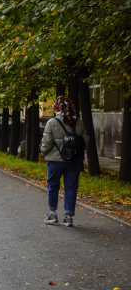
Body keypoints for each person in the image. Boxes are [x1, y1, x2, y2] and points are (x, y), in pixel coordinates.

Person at [40, 96, 89, 227]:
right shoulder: (79, 123)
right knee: (71, 187)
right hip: (74, 161)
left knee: (53, 186)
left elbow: (47, 142)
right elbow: (86, 141)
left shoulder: (51, 122)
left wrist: (43, 152)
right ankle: (68, 217)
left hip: (55, 161)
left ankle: (52, 214)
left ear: (56, 108)